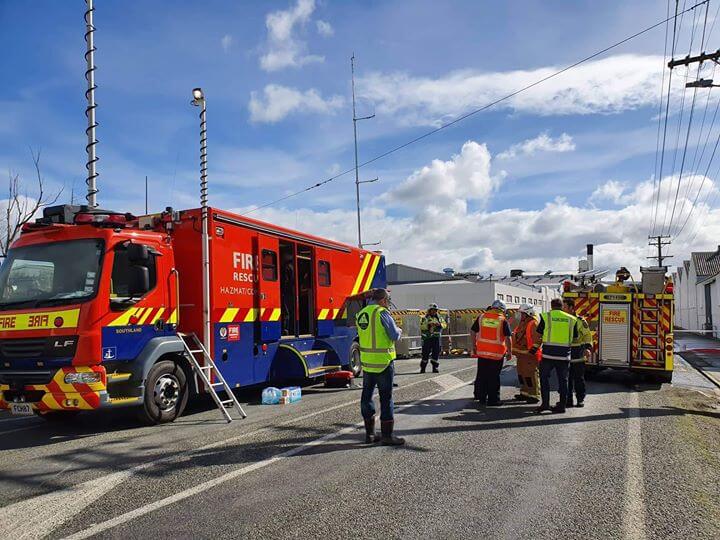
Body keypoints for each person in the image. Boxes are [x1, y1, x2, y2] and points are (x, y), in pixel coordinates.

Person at [356, 288, 405, 446]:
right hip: (384, 362)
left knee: (366, 397)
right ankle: (387, 436)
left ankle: (370, 434)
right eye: (388, 301)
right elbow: (394, 335)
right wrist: (399, 330)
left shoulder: (362, 313)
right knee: (386, 398)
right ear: (383, 300)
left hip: (368, 363)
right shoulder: (382, 313)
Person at [532, 298, 578, 414]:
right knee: (563, 381)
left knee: (544, 379)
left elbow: (538, 333)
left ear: (551, 306)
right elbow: (575, 337)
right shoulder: (572, 319)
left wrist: (537, 345)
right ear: (562, 306)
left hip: (548, 355)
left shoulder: (546, 317)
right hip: (564, 356)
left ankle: (545, 404)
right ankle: (562, 406)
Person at [471, 300, 513, 406]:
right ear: (502, 309)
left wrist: (473, 346)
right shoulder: (502, 320)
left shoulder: (481, 317)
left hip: (482, 352)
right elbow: (508, 337)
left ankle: (481, 397)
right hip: (497, 354)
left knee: (482, 375)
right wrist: (509, 351)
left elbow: (472, 331)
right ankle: (493, 400)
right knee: (494, 377)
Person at [563, 298, 592, 408]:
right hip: (565, 352)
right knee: (566, 379)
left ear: (571, 308)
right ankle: (568, 400)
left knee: (578, 379)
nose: (563, 309)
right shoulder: (562, 319)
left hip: (578, 353)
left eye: (565, 307)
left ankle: (580, 399)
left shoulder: (580, 321)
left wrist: (587, 348)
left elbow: (587, 336)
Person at [512, 303, 541, 404]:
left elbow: (538, 339)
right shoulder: (523, 323)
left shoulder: (533, 323)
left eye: (523, 313)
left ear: (528, 313)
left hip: (529, 355)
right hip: (521, 355)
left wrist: (532, 351)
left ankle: (534, 395)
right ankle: (524, 393)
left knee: (530, 375)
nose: (521, 315)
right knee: (522, 375)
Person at [420, 303, 447, 373]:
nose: (434, 311)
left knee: (436, 352)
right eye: (432, 310)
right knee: (425, 353)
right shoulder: (424, 318)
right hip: (427, 338)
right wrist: (429, 325)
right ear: (429, 310)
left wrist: (439, 324)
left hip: (436, 338)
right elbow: (422, 326)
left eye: (435, 310)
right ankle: (423, 368)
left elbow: (444, 325)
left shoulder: (439, 317)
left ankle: (435, 367)